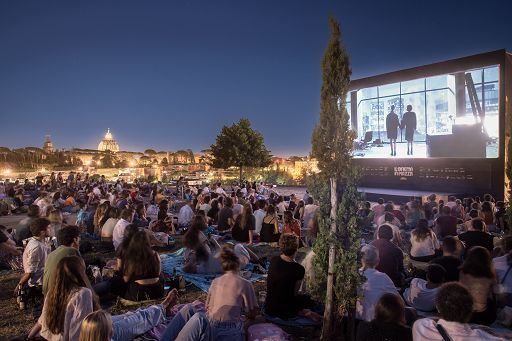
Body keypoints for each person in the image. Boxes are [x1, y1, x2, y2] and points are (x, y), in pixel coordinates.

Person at [162, 246, 259, 341]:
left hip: (213, 327)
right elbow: (252, 313)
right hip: (228, 331)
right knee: (189, 309)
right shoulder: (245, 284)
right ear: (238, 263)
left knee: (198, 317)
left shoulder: (215, 281)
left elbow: (208, 308)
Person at [27, 256, 100, 341]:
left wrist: (29, 337)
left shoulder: (53, 291)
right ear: (79, 273)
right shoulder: (83, 293)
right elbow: (78, 330)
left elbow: (42, 319)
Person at [412, 282, 502, 340]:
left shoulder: (421, 326)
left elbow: (431, 319)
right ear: (471, 310)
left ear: (437, 307)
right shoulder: (483, 337)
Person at [265, 234, 321, 322]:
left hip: (269, 307)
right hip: (286, 311)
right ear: (296, 248)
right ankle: (305, 312)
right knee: (309, 300)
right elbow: (294, 293)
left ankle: (304, 311)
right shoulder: (298, 269)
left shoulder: (274, 260)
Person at [356, 245, 399, 322]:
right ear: (378, 261)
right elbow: (397, 300)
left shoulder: (352, 276)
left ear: (361, 260)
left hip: (354, 319)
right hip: (374, 321)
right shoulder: (383, 278)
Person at [120, 230, 164, 301]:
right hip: (157, 291)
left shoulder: (131, 257)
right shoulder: (155, 254)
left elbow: (126, 279)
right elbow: (158, 274)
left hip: (139, 293)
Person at [459, 246, 497, 325]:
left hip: (466, 311)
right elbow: (498, 293)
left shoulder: (463, 273)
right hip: (484, 314)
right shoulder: (491, 276)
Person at [16, 218, 51, 299]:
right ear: (42, 232)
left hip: (43, 277)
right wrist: (19, 285)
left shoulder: (36, 240)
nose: (51, 229)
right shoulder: (36, 247)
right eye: (49, 228)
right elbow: (31, 271)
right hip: (39, 283)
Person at [43, 225, 81, 296]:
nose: (80, 240)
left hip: (47, 295)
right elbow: (82, 277)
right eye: (79, 238)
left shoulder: (52, 253)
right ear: (75, 240)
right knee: (106, 284)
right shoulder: (72, 251)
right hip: (61, 296)